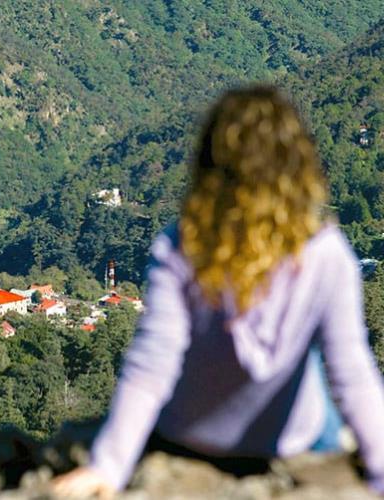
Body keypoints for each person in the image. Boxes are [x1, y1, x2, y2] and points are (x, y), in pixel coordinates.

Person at [52, 86, 384, 497]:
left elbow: (152, 365)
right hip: (288, 441)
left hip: (191, 436)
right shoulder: (325, 253)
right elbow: (352, 373)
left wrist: (108, 466)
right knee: (314, 361)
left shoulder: (180, 246)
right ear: (298, 166)